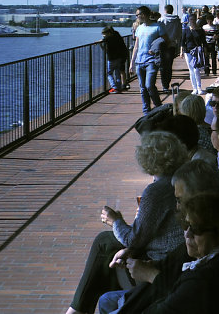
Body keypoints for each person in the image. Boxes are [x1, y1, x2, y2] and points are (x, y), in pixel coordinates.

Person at [66, 131, 190, 314]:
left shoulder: (157, 191)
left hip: (160, 263)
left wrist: (114, 220)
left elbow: (134, 238)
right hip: (172, 256)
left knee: (104, 245)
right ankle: (87, 308)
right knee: (107, 250)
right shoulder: (178, 178)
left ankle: (80, 309)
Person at [130, 6, 165, 115]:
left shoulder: (157, 27)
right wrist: (131, 63)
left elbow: (165, 40)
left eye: (137, 15)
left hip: (151, 60)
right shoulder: (139, 28)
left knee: (149, 85)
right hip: (140, 61)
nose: (136, 17)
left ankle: (158, 106)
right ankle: (146, 111)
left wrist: (155, 49)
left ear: (144, 15)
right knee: (142, 88)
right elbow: (136, 46)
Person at [158, 4, 182, 92]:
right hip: (172, 45)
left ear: (165, 10)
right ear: (172, 10)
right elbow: (179, 34)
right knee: (169, 65)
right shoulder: (177, 21)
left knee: (162, 65)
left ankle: (164, 85)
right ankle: (167, 83)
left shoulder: (161, 20)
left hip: (163, 44)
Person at [182, 14, 206, 94]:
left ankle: (199, 88)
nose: (192, 21)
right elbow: (182, 42)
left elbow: (204, 41)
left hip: (197, 52)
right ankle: (194, 88)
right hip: (188, 52)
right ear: (189, 20)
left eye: (193, 19)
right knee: (191, 70)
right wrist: (181, 51)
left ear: (196, 20)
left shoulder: (200, 30)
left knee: (196, 70)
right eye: (191, 19)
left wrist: (205, 50)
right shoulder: (186, 30)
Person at [102, 25, 130, 93]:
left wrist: (100, 41)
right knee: (117, 72)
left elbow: (104, 47)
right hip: (120, 57)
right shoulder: (117, 35)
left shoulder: (108, 38)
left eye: (104, 34)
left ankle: (114, 87)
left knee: (109, 73)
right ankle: (119, 87)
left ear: (107, 33)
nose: (104, 36)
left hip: (111, 58)